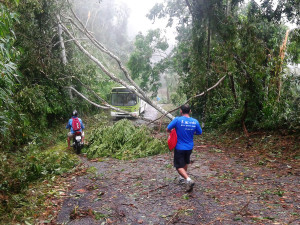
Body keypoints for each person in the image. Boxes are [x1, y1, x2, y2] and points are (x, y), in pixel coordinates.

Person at [166, 104, 202, 192]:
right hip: (189, 147)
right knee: (185, 162)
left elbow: (168, 129)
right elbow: (199, 132)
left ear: (181, 111)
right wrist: (192, 132)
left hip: (179, 147)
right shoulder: (195, 121)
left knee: (178, 166)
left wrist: (174, 131)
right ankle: (183, 179)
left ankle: (188, 180)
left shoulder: (177, 120)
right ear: (190, 111)